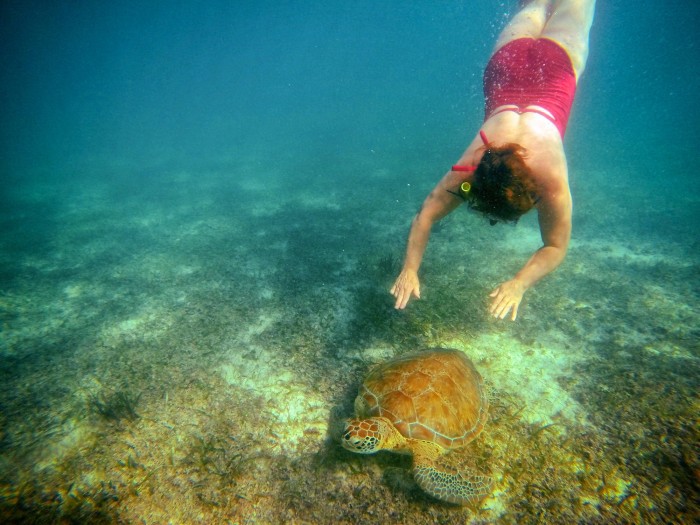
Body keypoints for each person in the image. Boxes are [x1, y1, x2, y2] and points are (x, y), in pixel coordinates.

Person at [391, 0, 596, 321]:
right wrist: (409, 269)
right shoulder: (474, 164)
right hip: (507, 64)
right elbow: (425, 216)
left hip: (551, 65)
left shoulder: (548, 177)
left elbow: (556, 246)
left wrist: (519, 284)